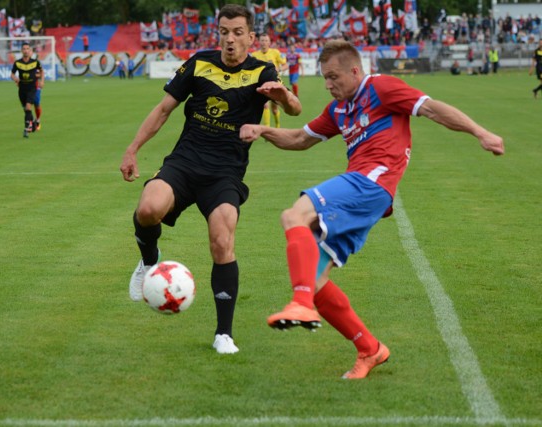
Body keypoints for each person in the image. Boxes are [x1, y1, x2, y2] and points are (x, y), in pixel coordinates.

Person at [239, 40, 504, 379]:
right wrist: (263, 130)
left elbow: (433, 109)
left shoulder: (380, 87)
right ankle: (370, 349)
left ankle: (300, 304)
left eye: (334, 76)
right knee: (316, 278)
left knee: (294, 216)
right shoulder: (338, 110)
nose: (328, 84)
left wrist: (480, 133)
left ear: (355, 70)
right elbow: (300, 139)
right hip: (367, 194)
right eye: (324, 78)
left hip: (371, 183)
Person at [119, 4, 301, 355]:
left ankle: (223, 334)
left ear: (250, 37)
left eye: (237, 33)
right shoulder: (199, 62)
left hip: (225, 172)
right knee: (147, 209)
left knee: (222, 240)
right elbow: (163, 110)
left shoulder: (263, 70)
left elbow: (294, 109)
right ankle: (149, 260)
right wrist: (133, 149)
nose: (229, 40)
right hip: (185, 162)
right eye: (223, 32)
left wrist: (284, 97)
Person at [252, 33, 288, 128]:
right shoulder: (254, 55)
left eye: (266, 40)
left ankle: (277, 125)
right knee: (265, 105)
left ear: (269, 42)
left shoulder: (275, 52)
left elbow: (285, 65)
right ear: (259, 42)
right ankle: (267, 128)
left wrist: (279, 69)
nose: (264, 43)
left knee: (274, 109)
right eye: (262, 40)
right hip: (262, 84)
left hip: (274, 83)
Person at [11, 42, 44, 138]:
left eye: (27, 49)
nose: (26, 51)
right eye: (24, 49)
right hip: (22, 88)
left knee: (34, 104)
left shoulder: (35, 62)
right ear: (22, 51)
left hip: (33, 87)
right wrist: (16, 79)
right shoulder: (18, 63)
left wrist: (41, 81)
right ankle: (32, 122)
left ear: (30, 51)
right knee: (26, 108)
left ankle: (28, 127)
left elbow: (41, 72)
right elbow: (12, 74)